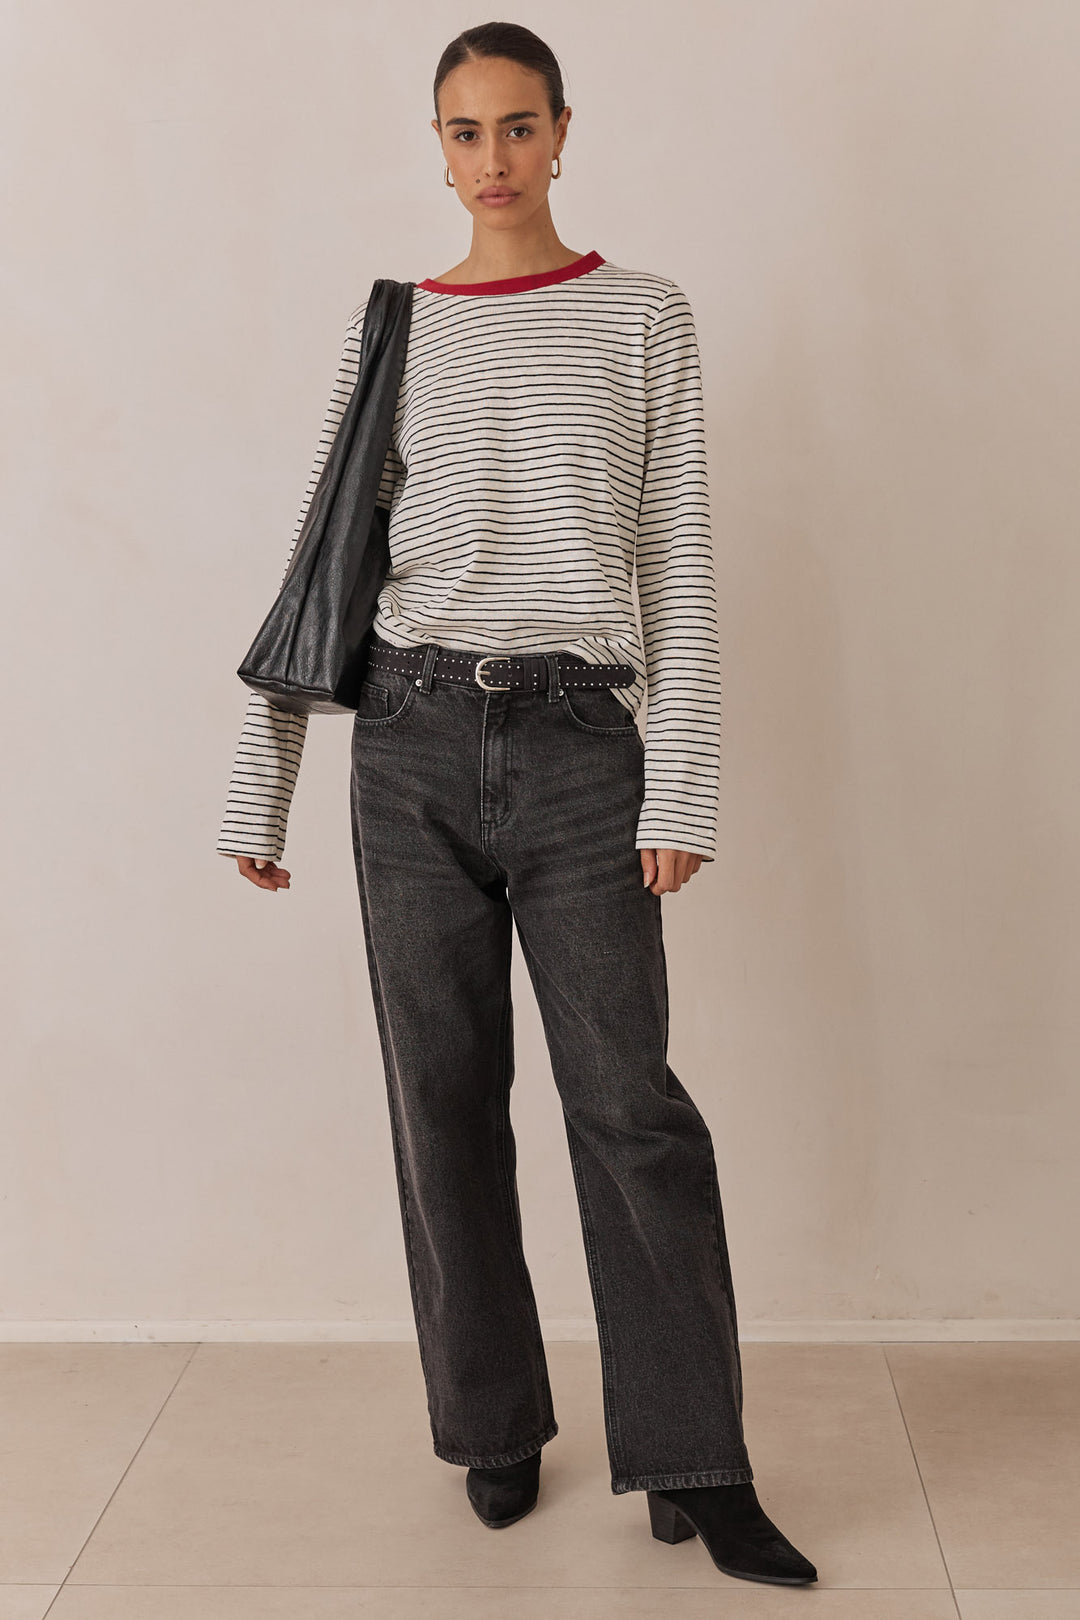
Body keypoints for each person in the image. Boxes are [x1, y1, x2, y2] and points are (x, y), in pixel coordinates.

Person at [217, 21, 818, 1589]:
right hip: (409, 744)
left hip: (579, 749)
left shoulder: (643, 315)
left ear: (563, 131)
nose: (493, 158)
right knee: (442, 1099)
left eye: (518, 126)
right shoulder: (400, 325)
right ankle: (492, 1424)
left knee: (631, 1107)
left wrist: (681, 781)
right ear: (437, 147)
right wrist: (262, 783)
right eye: (464, 131)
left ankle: (695, 1460)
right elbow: (326, 559)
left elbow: (675, 554)